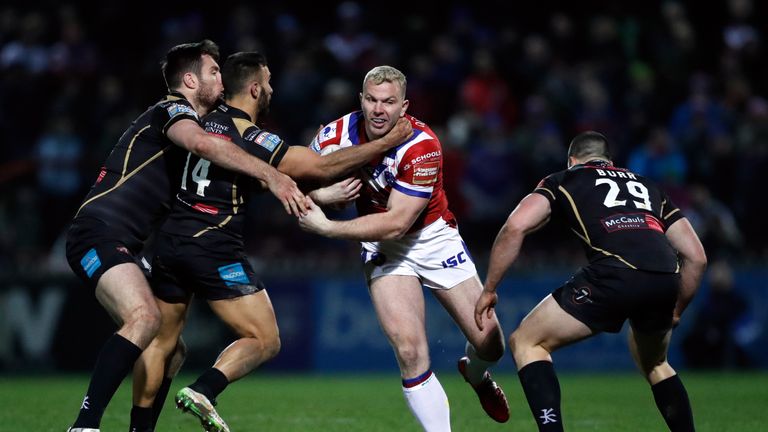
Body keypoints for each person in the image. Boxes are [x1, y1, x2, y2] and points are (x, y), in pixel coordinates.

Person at [130, 52, 413, 432]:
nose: (272, 90)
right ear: (254, 88)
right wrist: (388, 142)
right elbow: (319, 166)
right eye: (268, 83)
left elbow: (250, 181)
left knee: (162, 344)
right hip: (213, 244)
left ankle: (138, 429)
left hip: (170, 240)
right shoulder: (247, 133)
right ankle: (205, 389)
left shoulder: (197, 121)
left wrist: (318, 198)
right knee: (264, 339)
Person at [64, 40, 306, 432]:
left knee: (172, 349)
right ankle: (85, 425)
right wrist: (272, 174)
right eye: (213, 72)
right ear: (190, 80)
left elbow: (222, 165)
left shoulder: (200, 126)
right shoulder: (171, 110)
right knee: (143, 317)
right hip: (98, 232)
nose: (221, 80)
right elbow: (203, 144)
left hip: (128, 243)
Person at [298, 65, 509, 431]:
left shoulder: (422, 145)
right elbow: (297, 177)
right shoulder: (333, 135)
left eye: (389, 102)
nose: (379, 110)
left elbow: (398, 221)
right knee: (410, 352)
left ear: (404, 106)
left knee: (490, 343)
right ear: (361, 101)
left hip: (431, 238)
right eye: (372, 100)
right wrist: (320, 193)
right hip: (382, 246)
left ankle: (475, 373)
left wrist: (329, 226)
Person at [474, 131, 707, 432]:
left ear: (572, 161)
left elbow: (515, 226)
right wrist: (675, 311)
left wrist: (490, 288)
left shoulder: (564, 179)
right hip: (665, 277)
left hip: (614, 274)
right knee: (656, 364)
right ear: (611, 161)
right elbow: (696, 257)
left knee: (528, 342)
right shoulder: (648, 186)